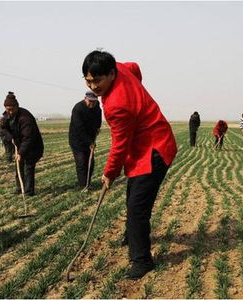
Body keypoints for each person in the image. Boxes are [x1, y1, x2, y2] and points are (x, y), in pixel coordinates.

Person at [82, 50, 177, 280]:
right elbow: (134, 66)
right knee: (132, 195)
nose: (93, 86)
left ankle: (142, 260)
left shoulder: (117, 105)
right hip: (144, 147)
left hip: (154, 148)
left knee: (137, 207)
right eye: (88, 80)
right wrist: (138, 91)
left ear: (111, 74)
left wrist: (109, 173)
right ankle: (131, 234)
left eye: (98, 80)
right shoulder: (122, 68)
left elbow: (120, 145)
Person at [1, 91, 44, 196]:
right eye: (8, 110)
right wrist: (10, 138)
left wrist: (20, 152)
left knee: (28, 167)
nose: (10, 112)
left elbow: (28, 138)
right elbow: (3, 129)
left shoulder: (25, 118)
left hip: (32, 146)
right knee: (18, 166)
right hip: (19, 145)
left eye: (12, 109)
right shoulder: (6, 117)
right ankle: (20, 188)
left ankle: (28, 191)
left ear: (17, 106)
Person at [69, 91, 102, 188]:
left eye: (94, 102)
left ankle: (88, 182)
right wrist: (89, 142)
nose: (92, 104)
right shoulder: (78, 109)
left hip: (90, 137)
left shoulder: (96, 106)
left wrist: (98, 127)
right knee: (81, 162)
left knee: (90, 162)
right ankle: (83, 185)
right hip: (77, 140)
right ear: (85, 99)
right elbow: (80, 129)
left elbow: (99, 116)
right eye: (90, 101)